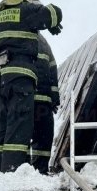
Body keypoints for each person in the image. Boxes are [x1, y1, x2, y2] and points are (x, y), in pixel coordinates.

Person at [0, 0, 63, 172]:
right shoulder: (25, 13)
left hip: (1, 82)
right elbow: (54, 12)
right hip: (22, 81)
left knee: (3, 127)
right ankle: (12, 173)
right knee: (19, 128)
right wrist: (52, 22)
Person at [31, 31, 60, 174]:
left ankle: (40, 171)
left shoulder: (43, 43)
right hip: (28, 100)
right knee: (27, 138)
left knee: (44, 138)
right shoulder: (25, 38)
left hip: (42, 102)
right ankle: (25, 172)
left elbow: (53, 68)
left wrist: (54, 96)